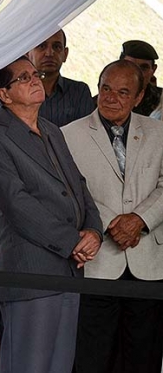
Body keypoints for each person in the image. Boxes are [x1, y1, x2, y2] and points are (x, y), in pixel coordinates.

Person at [0, 56, 103, 373]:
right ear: (4, 94)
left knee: (60, 364)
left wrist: (94, 231)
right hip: (30, 271)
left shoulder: (51, 129)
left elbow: (78, 186)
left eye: (35, 74)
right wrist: (73, 241)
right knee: (28, 366)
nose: (35, 80)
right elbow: (17, 204)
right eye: (23, 77)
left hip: (70, 270)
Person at [62, 60, 163, 373]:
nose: (111, 98)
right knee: (93, 356)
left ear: (138, 96)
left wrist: (140, 220)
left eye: (123, 92)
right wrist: (111, 225)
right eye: (106, 88)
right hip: (97, 263)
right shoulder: (68, 135)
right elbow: (70, 192)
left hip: (149, 263)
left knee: (143, 356)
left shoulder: (159, 132)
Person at [26, 29, 94, 126]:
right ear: (28, 53)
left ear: (65, 54)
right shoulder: (16, 91)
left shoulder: (79, 91)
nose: (49, 53)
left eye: (56, 47)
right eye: (41, 46)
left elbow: (85, 134)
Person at [119, 40, 161, 117]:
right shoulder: (104, 101)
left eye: (143, 68)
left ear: (153, 70)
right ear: (118, 66)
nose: (136, 73)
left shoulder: (161, 101)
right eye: (130, 66)